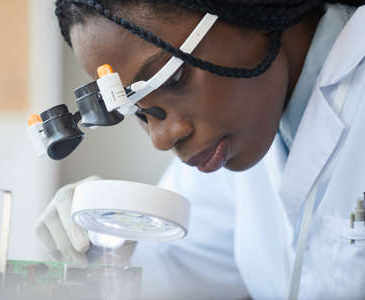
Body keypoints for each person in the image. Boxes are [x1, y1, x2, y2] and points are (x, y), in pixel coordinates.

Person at [36, 1, 365, 299]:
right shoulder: (234, 139)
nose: (161, 139)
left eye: (174, 79)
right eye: (137, 110)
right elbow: (180, 269)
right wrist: (108, 243)